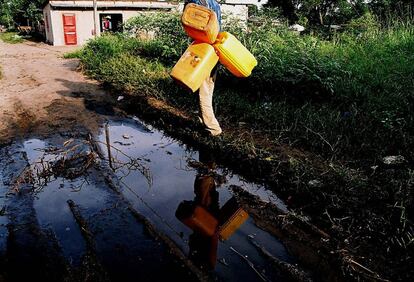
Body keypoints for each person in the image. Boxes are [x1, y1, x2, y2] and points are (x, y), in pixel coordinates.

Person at [185, 0, 222, 136]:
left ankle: (213, 129)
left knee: (204, 90)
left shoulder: (195, 2)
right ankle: (204, 122)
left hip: (202, 51)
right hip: (214, 49)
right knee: (207, 87)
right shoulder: (215, 4)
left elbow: (190, 25)